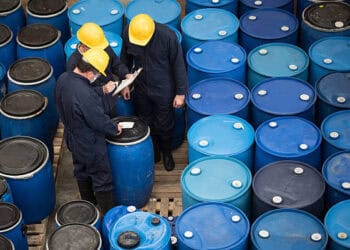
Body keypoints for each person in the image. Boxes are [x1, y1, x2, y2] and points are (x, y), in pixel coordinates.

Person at [55, 48, 121, 214]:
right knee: (102, 178)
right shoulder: (84, 93)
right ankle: (108, 216)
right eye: (98, 73)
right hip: (90, 143)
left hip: (72, 137)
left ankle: (89, 204)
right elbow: (97, 119)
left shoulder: (64, 78)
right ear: (91, 72)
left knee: (81, 170)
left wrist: (101, 90)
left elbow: (76, 98)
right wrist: (114, 128)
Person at [121, 14, 188, 171]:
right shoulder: (129, 33)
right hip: (141, 85)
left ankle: (166, 152)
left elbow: (179, 66)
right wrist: (125, 82)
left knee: (165, 122)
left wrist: (180, 93)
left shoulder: (168, 37)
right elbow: (124, 59)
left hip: (163, 87)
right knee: (145, 119)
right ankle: (154, 150)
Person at [67, 22, 132, 117]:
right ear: (85, 47)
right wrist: (102, 90)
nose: (101, 51)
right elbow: (79, 92)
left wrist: (125, 78)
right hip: (93, 107)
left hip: (110, 98)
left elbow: (116, 64)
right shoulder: (73, 64)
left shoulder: (102, 47)